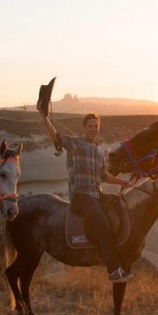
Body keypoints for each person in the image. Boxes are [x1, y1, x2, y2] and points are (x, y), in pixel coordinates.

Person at [41, 111, 133, 283]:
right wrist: (44, 116)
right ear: (84, 127)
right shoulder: (75, 144)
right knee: (104, 226)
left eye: (96, 126)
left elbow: (104, 176)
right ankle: (113, 271)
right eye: (90, 126)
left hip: (96, 195)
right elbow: (55, 136)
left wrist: (123, 182)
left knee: (118, 206)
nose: (93, 129)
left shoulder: (99, 151)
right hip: (81, 197)